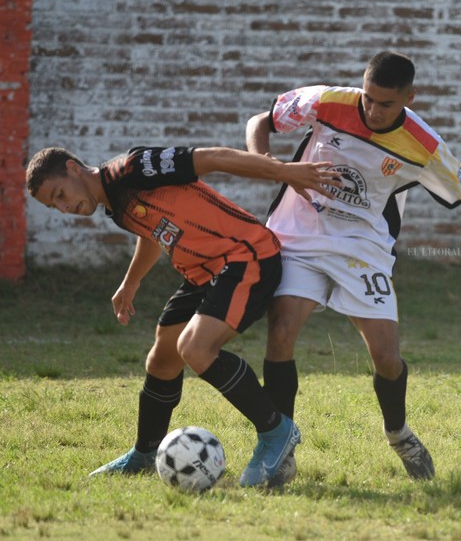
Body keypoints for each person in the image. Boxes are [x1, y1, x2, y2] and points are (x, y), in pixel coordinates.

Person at [245, 50, 461, 480]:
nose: (373, 110)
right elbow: (261, 121)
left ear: (409, 98)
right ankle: (278, 444)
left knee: (386, 357)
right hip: (298, 235)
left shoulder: (423, 144)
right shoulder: (327, 101)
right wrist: (272, 166)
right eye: (368, 98)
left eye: (386, 104)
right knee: (282, 331)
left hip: (363, 247)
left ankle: (398, 431)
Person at [25, 145, 342, 487]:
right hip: (202, 273)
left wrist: (284, 171)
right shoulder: (114, 204)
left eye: (59, 194)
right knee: (162, 358)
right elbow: (151, 232)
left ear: (74, 168)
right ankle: (145, 454)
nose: (64, 207)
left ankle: (276, 431)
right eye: (53, 205)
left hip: (246, 256)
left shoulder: (133, 169)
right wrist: (131, 282)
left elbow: (214, 158)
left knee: (194, 348)